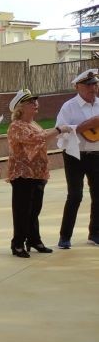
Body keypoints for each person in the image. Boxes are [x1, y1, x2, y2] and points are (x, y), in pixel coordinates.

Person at [7, 89, 74, 257]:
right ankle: (17, 243)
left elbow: (41, 137)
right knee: (22, 210)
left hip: (38, 173)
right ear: (20, 108)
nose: (35, 104)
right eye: (30, 102)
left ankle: (34, 240)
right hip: (23, 174)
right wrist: (59, 129)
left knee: (34, 210)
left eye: (35, 101)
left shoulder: (33, 124)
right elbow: (35, 139)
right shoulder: (17, 125)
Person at [56, 68, 99, 248]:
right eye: (88, 85)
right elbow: (60, 132)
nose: (93, 88)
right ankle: (65, 237)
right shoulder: (69, 107)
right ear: (77, 87)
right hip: (75, 155)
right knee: (75, 195)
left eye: (95, 84)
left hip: (97, 155)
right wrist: (86, 126)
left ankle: (95, 234)